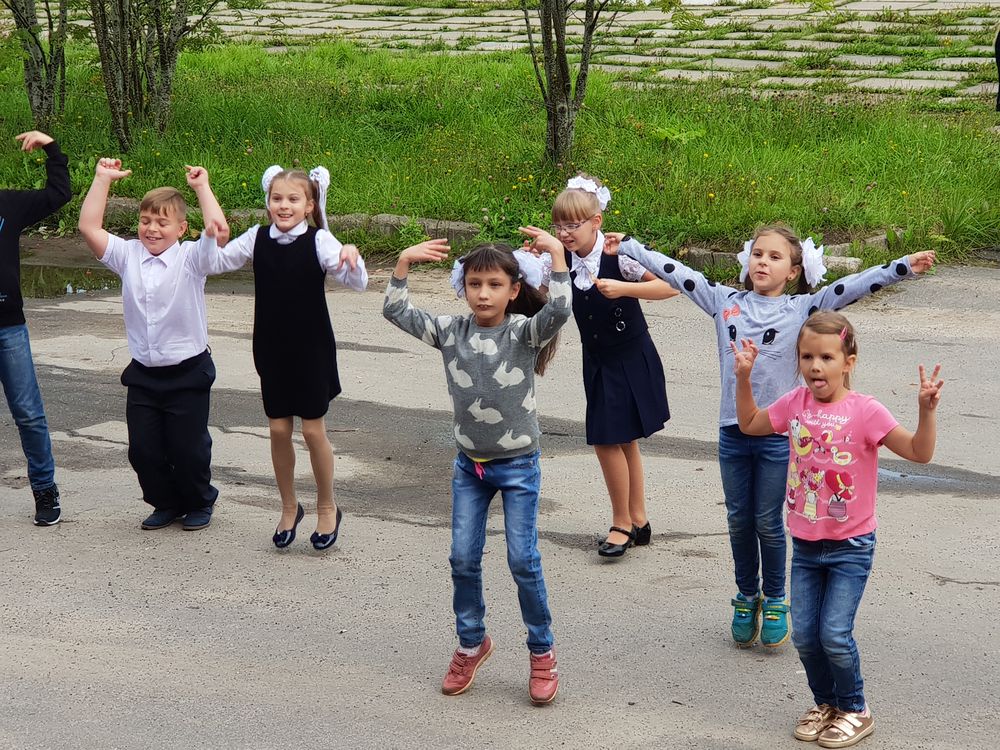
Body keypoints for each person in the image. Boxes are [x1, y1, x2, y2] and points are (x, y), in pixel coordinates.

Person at [606, 226, 935, 648]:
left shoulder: (802, 308)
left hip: (780, 435)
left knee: (767, 520)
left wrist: (901, 267)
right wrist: (630, 246)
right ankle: (747, 595)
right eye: (758, 253)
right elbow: (679, 274)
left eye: (775, 257)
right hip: (733, 430)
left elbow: (851, 287)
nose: (763, 262)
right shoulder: (724, 301)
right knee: (738, 520)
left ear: (794, 271)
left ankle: (776, 597)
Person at [733, 311, 942, 748]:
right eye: (807, 356)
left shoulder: (866, 411)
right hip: (806, 545)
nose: (815, 366)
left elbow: (919, 453)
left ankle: (855, 708)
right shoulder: (794, 404)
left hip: (851, 545)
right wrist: (744, 378)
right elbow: (750, 423)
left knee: (833, 634)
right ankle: (826, 703)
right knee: (806, 637)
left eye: (826, 357)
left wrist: (925, 412)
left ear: (848, 362)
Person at [383, 235, 571, 705]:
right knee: (462, 558)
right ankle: (471, 643)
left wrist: (557, 255)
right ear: (462, 287)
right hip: (470, 467)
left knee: (523, 561)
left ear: (514, 290)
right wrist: (403, 262)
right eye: (474, 284)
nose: (483, 293)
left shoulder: (523, 333)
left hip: (519, 466)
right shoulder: (452, 331)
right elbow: (396, 311)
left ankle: (542, 651)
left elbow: (561, 310)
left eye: (494, 284)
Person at [201, 165, 366, 550]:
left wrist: (351, 256)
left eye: (293, 199)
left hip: (312, 349)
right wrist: (210, 238)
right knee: (278, 430)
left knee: (312, 431)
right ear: (268, 202)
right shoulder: (256, 238)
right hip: (272, 347)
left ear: (309, 205)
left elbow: (357, 282)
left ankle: (327, 506)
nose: (284, 205)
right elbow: (215, 263)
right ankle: (289, 506)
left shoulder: (320, 241)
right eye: (277, 198)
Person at [525, 175, 678, 559]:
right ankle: (639, 519)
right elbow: (539, 294)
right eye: (558, 225)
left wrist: (625, 288)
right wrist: (530, 263)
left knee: (608, 440)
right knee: (622, 439)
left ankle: (621, 523)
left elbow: (669, 286)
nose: (564, 233)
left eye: (572, 225)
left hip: (631, 356)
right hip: (597, 360)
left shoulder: (617, 255)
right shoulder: (560, 260)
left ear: (596, 222)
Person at [79, 159, 230, 531]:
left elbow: (219, 232)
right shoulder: (128, 255)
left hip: (188, 373)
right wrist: (102, 179)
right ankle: (166, 502)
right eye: (146, 221)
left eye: (162, 222)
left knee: (188, 449)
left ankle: (199, 501)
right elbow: (89, 227)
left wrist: (202, 187)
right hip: (144, 375)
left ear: (181, 228)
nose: (152, 229)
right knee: (143, 450)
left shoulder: (192, 259)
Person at [0, 130, 72, 526]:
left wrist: (52, 148)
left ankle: (45, 489)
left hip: (9, 328)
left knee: (28, 414)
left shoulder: (8, 203)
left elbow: (58, 194)